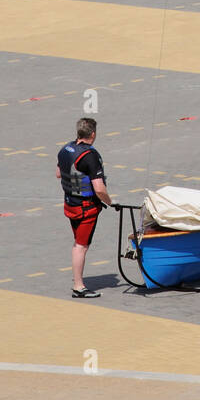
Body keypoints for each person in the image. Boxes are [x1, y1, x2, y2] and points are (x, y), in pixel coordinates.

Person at [56, 118, 113, 298]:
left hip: (69, 204)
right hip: (85, 209)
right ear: (93, 134)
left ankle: (78, 283)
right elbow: (99, 188)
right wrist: (110, 202)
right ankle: (78, 287)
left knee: (78, 244)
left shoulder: (65, 149)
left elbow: (58, 173)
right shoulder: (90, 156)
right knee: (81, 246)